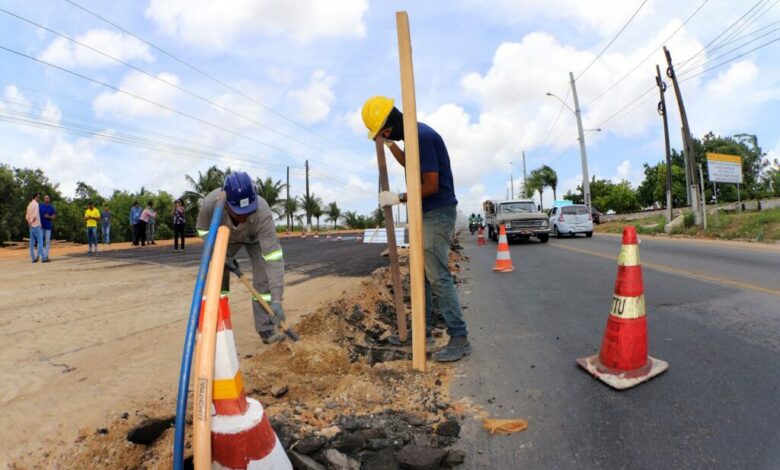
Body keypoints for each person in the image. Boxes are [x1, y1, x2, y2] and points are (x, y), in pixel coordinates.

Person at [362, 96, 470, 362]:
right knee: (421, 276)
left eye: (386, 132)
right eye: (383, 136)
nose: (387, 136)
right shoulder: (413, 137)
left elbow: (431, 185)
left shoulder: (422, 136)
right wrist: (388, 145)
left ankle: (459, 337)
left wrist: (399, 197)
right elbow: (409, 164)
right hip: (425, 212)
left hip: (438, 211)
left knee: (437, 275)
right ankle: (422, 333)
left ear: (391, 123)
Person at [196, 171, 288, 344]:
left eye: (248, 210)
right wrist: (219, 252)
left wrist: (276, 299)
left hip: (254, 240)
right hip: (225, 240)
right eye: (239, 212)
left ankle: (266, 329)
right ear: (226, 204)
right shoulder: (211, 202)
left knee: (264, 279)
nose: (244, 216)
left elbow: (273, 257)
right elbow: (202, 230)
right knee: (218, 279)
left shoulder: (262, 210)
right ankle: (216, 323)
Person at [25, 193, 43, 263]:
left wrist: (29, 222)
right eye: (38, 197)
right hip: (36, 225)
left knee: (31, 243)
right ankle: (39, 256)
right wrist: (32, 221)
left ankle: (33, 259)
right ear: (35, 197)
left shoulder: (29, 205)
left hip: (31, 226)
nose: (39, 199)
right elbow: (35, 215)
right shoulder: (36, 204)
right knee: (40, 241)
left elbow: (26, 216)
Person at [39, 195, 57, 262]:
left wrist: (48, 217)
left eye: (47, 198)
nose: (46, 199)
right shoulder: (40, 207)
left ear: (49, 199)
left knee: (47, 242)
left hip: (48, 227)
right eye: (45, 198)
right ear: (44, 199)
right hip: (41, 227)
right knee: (41, 242)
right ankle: (43, 255)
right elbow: (37, 216)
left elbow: (54, 217)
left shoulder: (52, 208)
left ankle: (46, 256)